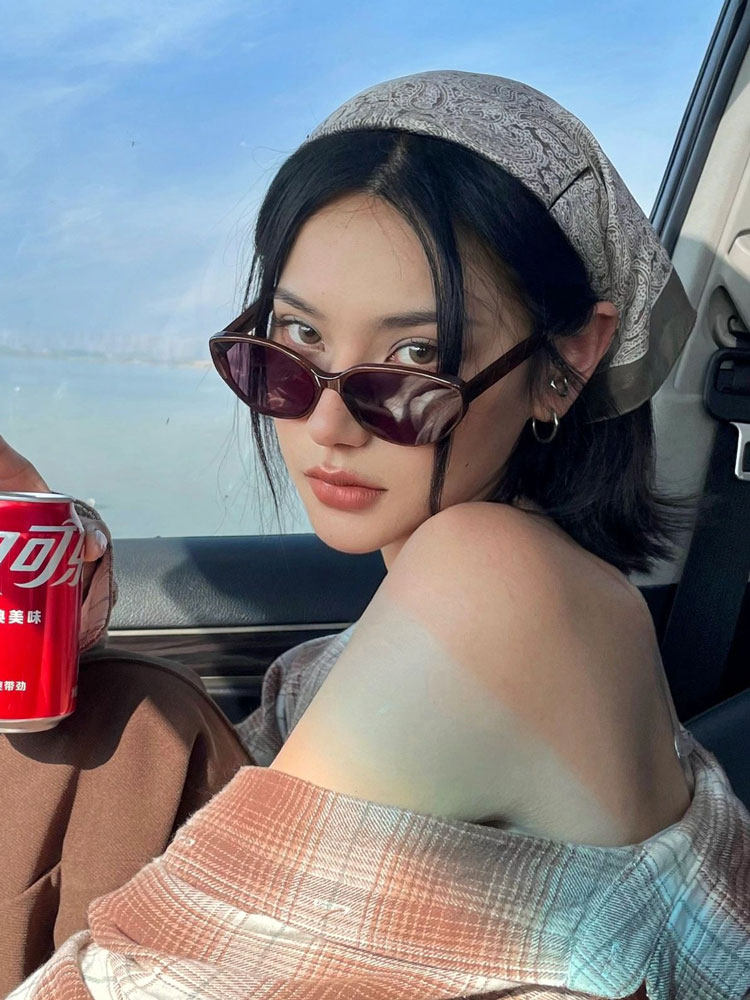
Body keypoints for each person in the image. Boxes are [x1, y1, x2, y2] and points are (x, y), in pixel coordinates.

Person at [5, 71, 750, 1000]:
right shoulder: (472, 593)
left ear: (569, 358)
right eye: (295, 342)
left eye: (414, 357)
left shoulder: (495, 582)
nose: (326, 424)